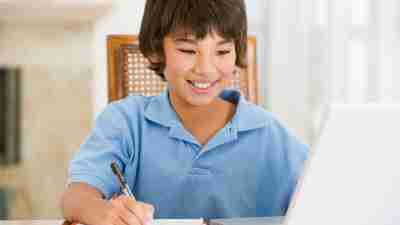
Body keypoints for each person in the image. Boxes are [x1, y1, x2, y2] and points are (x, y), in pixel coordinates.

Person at [60, 0, 308, 225]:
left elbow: (325, 197)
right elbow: (75, 197)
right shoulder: (125, 122)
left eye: (222, 52)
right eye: (188, 51)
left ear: (237, 53)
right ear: (157, 50)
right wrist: (101, 211)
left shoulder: (270, 134)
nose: (205, 69)